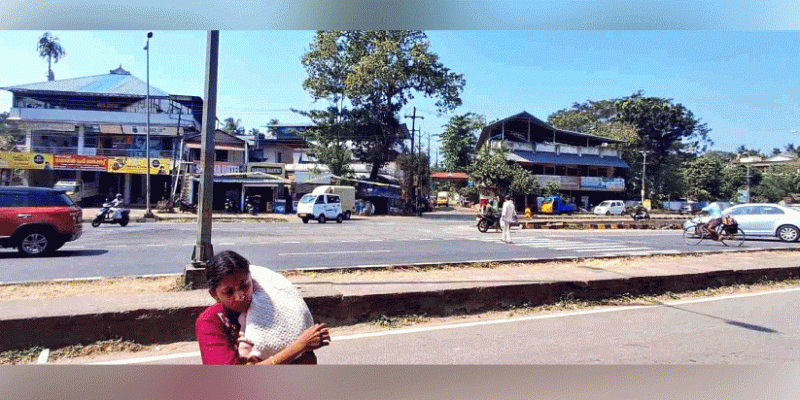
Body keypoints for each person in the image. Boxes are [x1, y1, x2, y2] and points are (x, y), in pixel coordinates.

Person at [196, 250, 330, 365]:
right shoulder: (209, 322)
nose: (240, 296)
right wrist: (300, 346)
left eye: (244, 286)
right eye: (229, 292)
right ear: (214, 294)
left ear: (252, 279)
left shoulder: (270, 304)